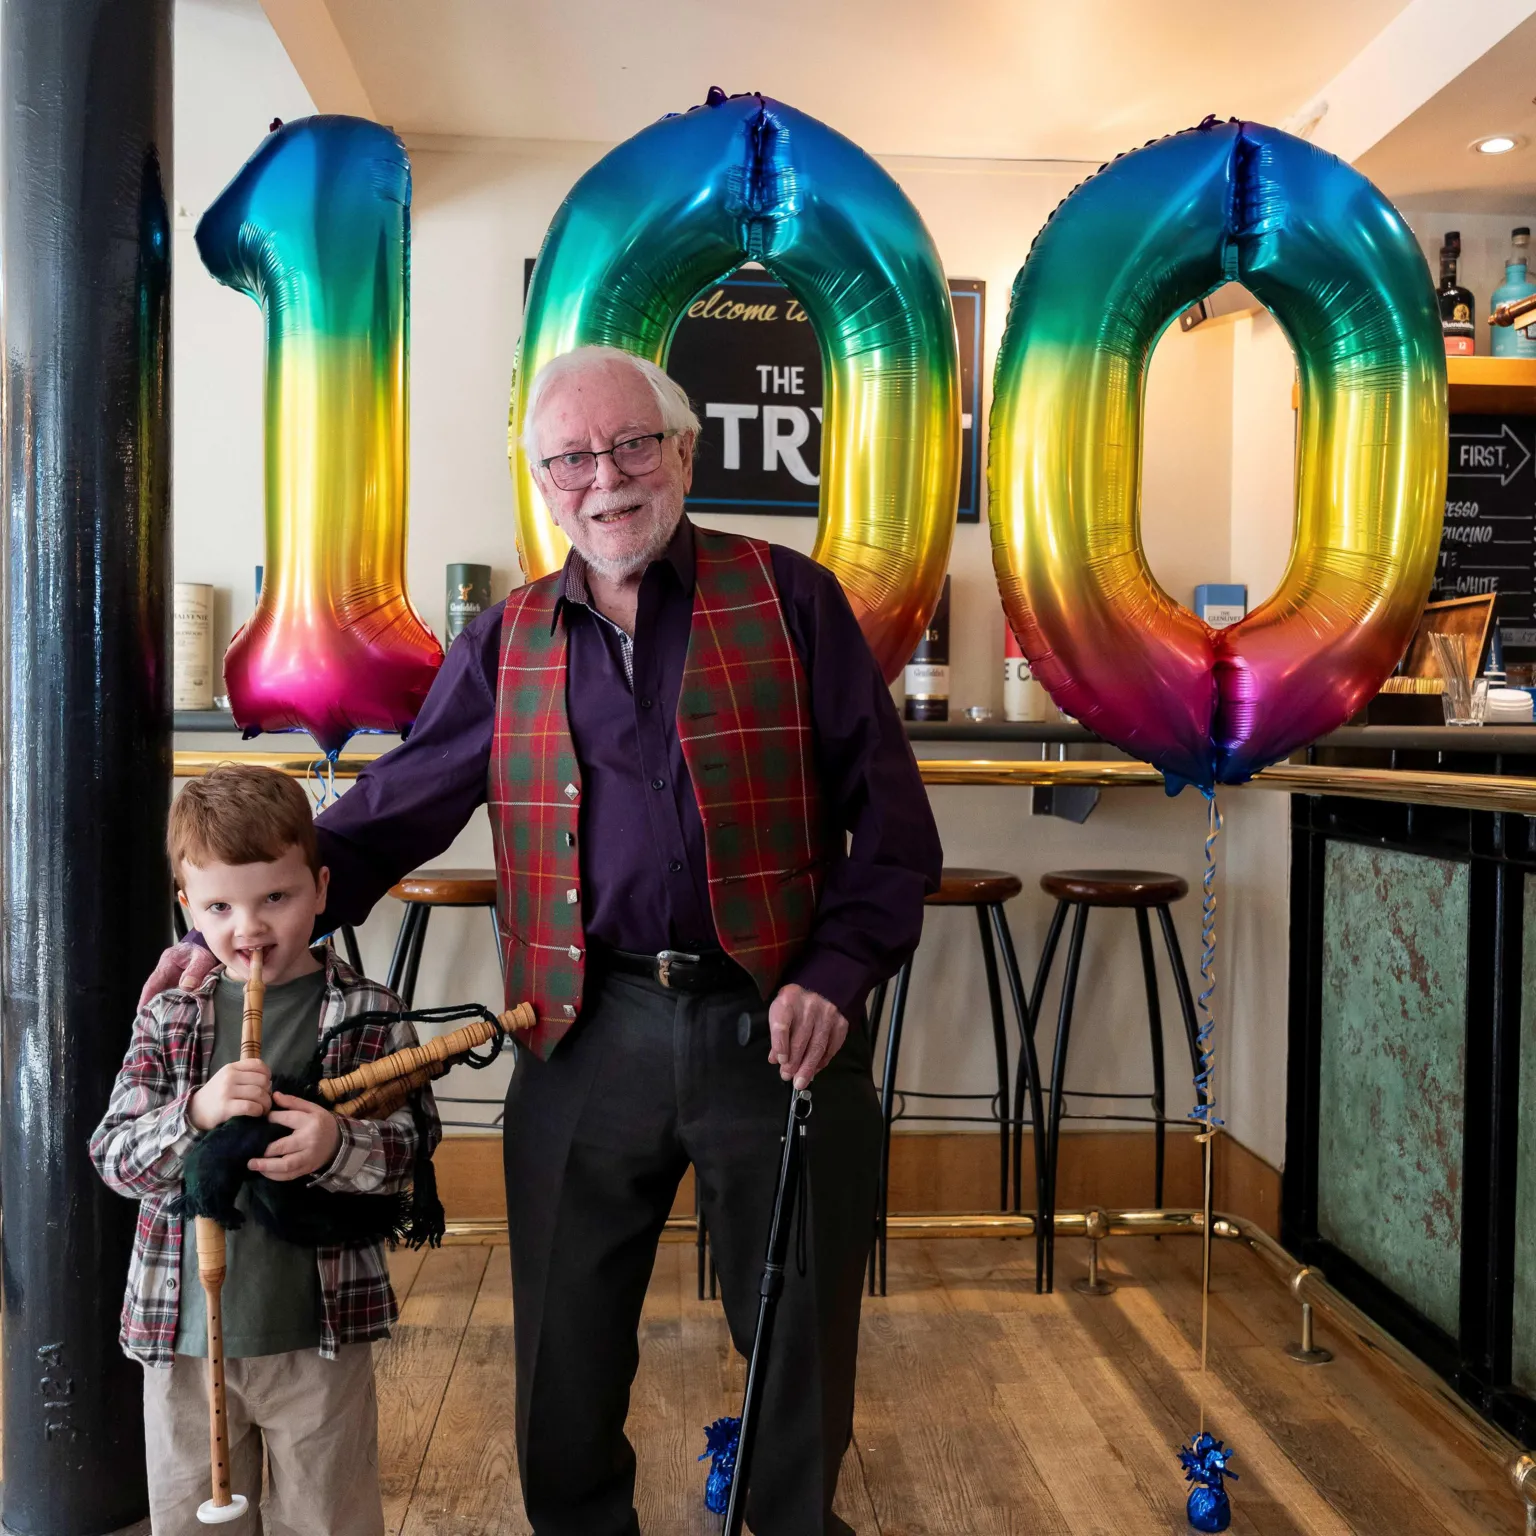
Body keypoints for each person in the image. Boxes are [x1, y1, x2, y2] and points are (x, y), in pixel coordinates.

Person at [146, 345, 943, 1535]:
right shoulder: (510, 636)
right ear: (545, 483)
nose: (603, 480)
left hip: (771, 1025)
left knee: (799, 1341)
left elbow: (895, 830)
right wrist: (248, 921)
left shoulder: (791, 600)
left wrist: (834, 977)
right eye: (570, 459)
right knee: (563, 1357)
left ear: (682, 451)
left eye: (629, 446)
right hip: (580, 1030)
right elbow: (396, 806)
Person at [96, 764, 441, 1536]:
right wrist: (195, 1112)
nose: (248, 930)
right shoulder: (170, 1018)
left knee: (330, 1519)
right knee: (190, 1523)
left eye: (275, 899)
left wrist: (335, 1144)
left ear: (321, 888)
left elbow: (413, 1150)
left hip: (318, 1337)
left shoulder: (367, 1012)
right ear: (187, 906)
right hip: (183, 1343)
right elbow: (115, 1157)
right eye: (220, 906)